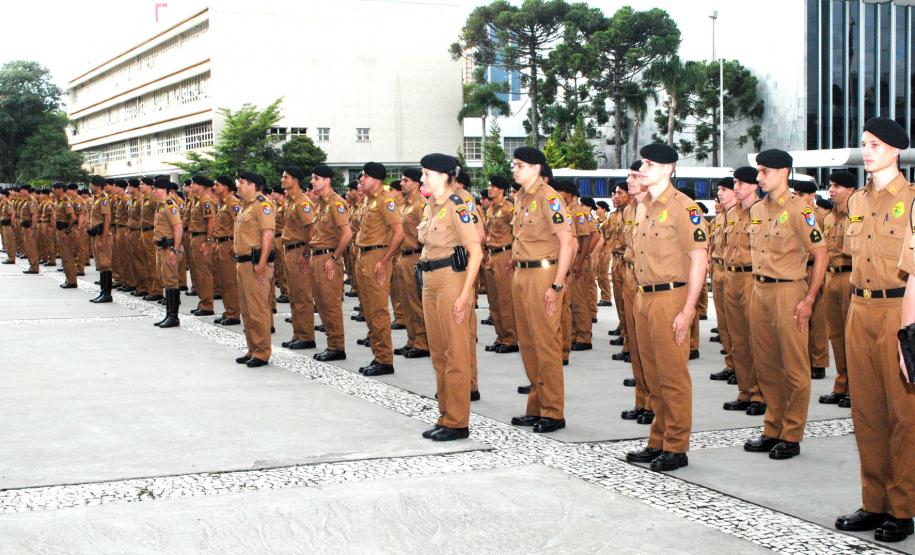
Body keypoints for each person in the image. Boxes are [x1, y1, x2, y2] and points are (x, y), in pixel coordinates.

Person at [835, 117, 915, 543]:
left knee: (903, 416)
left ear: (896, 151)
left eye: (877, 145)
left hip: (897, 309)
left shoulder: (912, 200)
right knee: (865, 411)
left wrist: (908, 333)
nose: (867, 151)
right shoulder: (857, 202)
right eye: (864, 144)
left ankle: (902, 510)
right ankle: (874, 501)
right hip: (859, 309)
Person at [624, 144, 709, 472]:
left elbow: (699, 259)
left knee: (672, 376)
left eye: (649, 164)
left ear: (668, 169)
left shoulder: (684, 208)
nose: (642, 169)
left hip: (671, 297)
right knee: (652, 375)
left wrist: (688, 310)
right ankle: (657, 440)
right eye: (643, 162)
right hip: (644, 297)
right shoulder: (643, 206)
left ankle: (676, 445)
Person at [743, 149, 826, 461]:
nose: (759, 177)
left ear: (784, 172)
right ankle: (772, 427)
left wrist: (809, 298)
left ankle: (791, 433)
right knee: (766, 364)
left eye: (764, 171)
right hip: (760, 291)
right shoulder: (757, 210)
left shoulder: (801, 210)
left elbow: (821, 255)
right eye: (759, 171)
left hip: (789, 292)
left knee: (793, 367)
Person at [509, 146, 576, 434]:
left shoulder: (549, 198)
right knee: (528, 343)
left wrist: (557, 283)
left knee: (547, 344)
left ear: (537, 169)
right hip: (522, 274)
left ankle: (553, 411)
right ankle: (536, 406)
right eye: (515, 164)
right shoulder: (521, 197)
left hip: (544, 273)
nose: (515, 169)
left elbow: (569, 243)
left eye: (521, 165)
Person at [416, 153, 483, 441]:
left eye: (427, 174)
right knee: (439, 352)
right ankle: (445, 415)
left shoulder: (458, 205)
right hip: (430, 281)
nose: (422, 179)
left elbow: (476, 251)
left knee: (455, 353)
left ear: (444, 175)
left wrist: (464, 296)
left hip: (452, 282)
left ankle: (458, 421)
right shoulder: (431, 207)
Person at [721, 167, 767, 416]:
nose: (735, 187)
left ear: (753, 186)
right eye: (735, 182)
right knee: (737, 339)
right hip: (732, 277)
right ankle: (745, 390)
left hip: (752, 277)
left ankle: (760, 394)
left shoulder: (761, 211)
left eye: (739, 183)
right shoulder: (732, 213)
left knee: (755, 339)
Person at [354, 162, 405, 376]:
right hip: (363, 254)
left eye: (364, 176)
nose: (361, 180)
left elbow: (398, 233)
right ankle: (377, 355)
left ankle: (385, 360)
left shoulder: (386, 201)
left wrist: (384, 260)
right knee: (368, 309)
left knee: (378, 310)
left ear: (375, 179)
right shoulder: (367, 201)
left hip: (377, 256)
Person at [818, 170, 856, 407]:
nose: (831, 190)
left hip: (849, 276)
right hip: (831, 278)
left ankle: (856, 388)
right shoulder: (829, 218)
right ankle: (841, 385)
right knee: (836, 335)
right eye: (831, 186)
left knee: (852, 338)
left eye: (837, 186)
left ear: (850, 190)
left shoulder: (857, 215)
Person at [308, 165, 353, 362]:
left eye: (316, 178)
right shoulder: (319, 204)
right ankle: (331, 344)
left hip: (328, 258)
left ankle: (337, 347)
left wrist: (334, 258)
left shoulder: (336, 203)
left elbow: (347, 234)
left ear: (327, 181)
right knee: (321, 304)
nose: (312, 181)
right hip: (316, 257)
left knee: (331, 304)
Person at [233, 172, 276, 367]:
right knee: (247, 310)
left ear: (253, 185)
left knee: (258, 309)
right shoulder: (245, 206)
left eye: (241, 182)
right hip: (242, 263)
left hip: (255, 264)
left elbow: (268, 235)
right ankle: (252, 348)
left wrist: (261, 264)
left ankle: (262, 352)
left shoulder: (263, 205)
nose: (238, 185)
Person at [791, 179, 830, 380]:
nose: (796, 197)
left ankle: (819, 361)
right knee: (798, 318)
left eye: (800, 194)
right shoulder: (794, 214)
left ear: (812, 196)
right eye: (795, 194)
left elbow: (823, 250)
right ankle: (805, 357)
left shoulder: (821, 217)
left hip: (814, 268)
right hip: (797, 271)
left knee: (817, 318)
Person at [278, 166, 318, 350]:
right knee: (294, 295)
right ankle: (298, 333)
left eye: (285, 177)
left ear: (295, 180)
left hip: (299, 251)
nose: (282, 180)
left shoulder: (303, 202)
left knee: (302, 296)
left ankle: (307, 336)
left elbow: (311, 228)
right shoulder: (289, 201)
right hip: (289, 251)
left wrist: (306, 253)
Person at [394, 167, 429, 358]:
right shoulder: (404, 205)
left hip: (415, 256)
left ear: (416, 183)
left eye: (405, 180)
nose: (401, 183)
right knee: (405, 302)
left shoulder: (421, 205)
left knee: (416, 301)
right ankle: (412, 339)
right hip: (402, 256)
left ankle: (423, 342)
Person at [483, 174, 518, 354]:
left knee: (505, 298)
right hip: (491, 255)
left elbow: (518, 232)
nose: (490, 189)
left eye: (493, 186)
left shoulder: (508, 209)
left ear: (501, 189)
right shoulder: (490, 209)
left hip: (504, 253)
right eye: (489, 186)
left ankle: (511, 338)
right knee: (494, 299)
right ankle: (501, 335)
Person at [708, 178, 737, 383]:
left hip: (737, 273)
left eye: (724, 189)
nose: (719, 193)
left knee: (739, 326)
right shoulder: (718, 219)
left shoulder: (746, 214)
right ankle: (731, 364)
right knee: (724, 322)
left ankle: (743, 368)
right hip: (718, 270)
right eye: (718, 190)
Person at [150, 178, 184, 327]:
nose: (154, 192)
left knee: (171, 281)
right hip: (161, 247)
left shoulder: (170, 205)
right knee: (165, 280)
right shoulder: (160, 205)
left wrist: (175, 250)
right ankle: (168, 314)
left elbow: (178, 228)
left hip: (169, 248)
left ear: (163, 190)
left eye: (156, 189)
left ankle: (173, 317)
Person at [212, 175, 242, 326]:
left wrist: (234, 247)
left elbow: (238, 225)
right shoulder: (221, 203)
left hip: (228, 245)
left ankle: (234, 314)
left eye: (217, 185)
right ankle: (228, 310)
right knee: (223, 281)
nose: (214, 187)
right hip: (220, 244)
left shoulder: (233, 203)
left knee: (230, 281)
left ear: (225, 187)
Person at [187, 175, 217, 316]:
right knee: (198, 272)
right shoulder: (197, 200)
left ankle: (207, 305)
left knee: (204, 273)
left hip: (201, 238)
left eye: (193, 183)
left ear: (200, 185)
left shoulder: (205, 200)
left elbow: (211, 220)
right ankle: (203, 302)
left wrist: (208, 241)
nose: (191, 186)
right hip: (195, 237)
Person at [86, 176, 113, 303]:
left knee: (105, 264)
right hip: (97, 234)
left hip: (103, 235)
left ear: (97, 185)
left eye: (91, 184)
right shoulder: (96, 198)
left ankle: (107, 294)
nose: (90, 186)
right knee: (101, 264)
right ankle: (103, 291)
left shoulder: (104, 199)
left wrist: (103, 238)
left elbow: (107, 219)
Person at [52, 182, 78, 288]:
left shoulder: (66, 201)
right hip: (60, 230)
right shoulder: (58, 201)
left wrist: (67, 231)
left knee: (68, 257)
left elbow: (73, 217)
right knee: (64, 257)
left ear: (61, 189)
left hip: (65, 231)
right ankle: (68, 279)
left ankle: (72, 281)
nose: (53, 190)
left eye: (55, 188)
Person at [595, 200, 614, 308]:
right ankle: (603, 296)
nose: (596, 210)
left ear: (603, 209)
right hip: (597, 251)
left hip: (604, 251)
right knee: (598, 275)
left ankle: (606, 298)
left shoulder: (607, 222)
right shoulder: (596, 221)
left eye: (598, 208)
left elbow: (609, 239)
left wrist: (606, 252)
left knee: (603, 275)